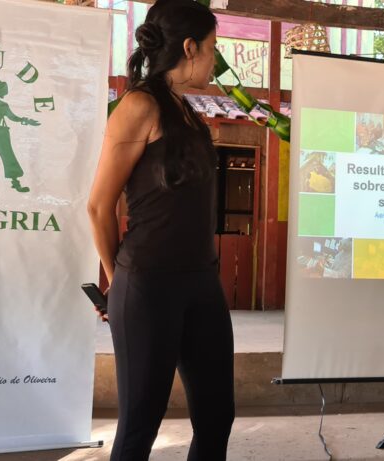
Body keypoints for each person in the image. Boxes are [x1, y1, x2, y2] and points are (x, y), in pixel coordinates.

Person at [86, 1, 234, 459]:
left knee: (217, 415)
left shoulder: (185, 111)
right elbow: (99, 206)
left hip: (201, 281)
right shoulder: (139, 105)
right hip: (147, 284)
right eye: (212, 47)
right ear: (190, 48)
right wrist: (117, 282)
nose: (215, 58)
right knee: (140, 426)